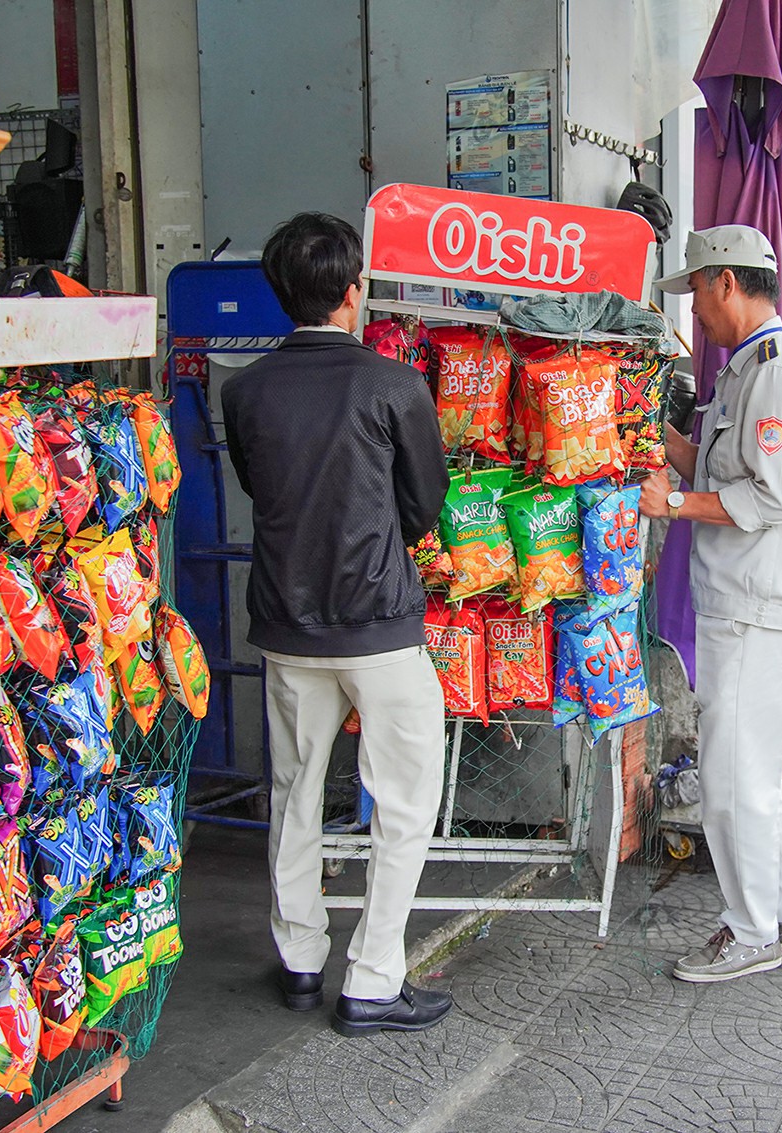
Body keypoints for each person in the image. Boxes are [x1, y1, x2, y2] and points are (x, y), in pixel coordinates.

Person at [221, 212, 453, 1036]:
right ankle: (373, 978)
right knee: (403, 799)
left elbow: (259, 486)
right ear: (353, 294)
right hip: (378, 625)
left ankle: (299, 958)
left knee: (294, 790)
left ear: (283, 297)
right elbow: (425, 507)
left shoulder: (243, 390)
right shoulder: (394, 385)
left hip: (286, 621)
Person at [642, 224, 782, 983]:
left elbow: (770, 494)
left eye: (695, 290)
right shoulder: (741, 373)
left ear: (726, 283)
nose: (693, 308)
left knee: (730, 779)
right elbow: (723, 463)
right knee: (751, 770)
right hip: (738, 599)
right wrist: (663, 441)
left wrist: (677, 503)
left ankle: (751, 928)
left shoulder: (778, 377)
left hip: (759, 605)